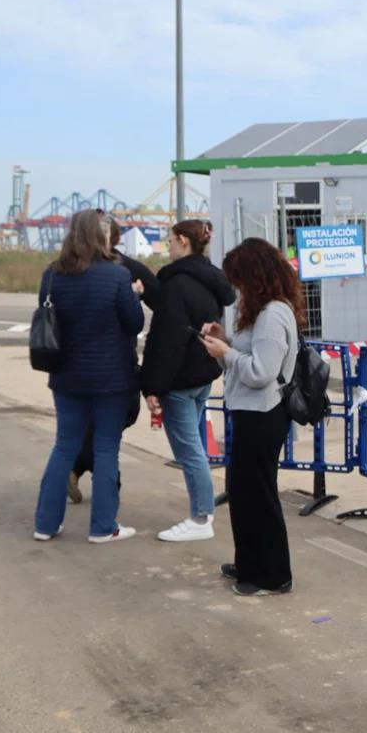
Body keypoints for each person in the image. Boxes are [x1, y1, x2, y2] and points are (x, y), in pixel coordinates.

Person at [33, 209, 145, 543]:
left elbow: (48, 314)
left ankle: (45, 525)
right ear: (103, 236)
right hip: (111, 378)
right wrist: (135, 296)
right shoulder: (116, 276)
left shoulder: (52, 274)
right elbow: (134, 324)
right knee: (106, 448)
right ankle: (103, 527)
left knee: (64, 445)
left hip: (66, 375)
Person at [200, 237, 302, 596]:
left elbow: (261, 371)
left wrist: (226, 352)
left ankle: (272, 575)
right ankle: (249, 563)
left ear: (255, 276)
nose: (236, 287)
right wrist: (222, 341)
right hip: (248, 412)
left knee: (258, 494)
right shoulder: (259, 310)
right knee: (243, 493)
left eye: (239, 279)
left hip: (264, 414)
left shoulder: (273, 313)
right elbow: (246, 357)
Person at [140, 219, 235, 542]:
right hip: (202, 374)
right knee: (194, 447)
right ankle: (201, 512)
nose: (167, 246)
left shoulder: (178, 284)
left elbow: (166, 341)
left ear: (183, 240)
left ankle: (201, 517)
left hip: (179, 380)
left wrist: (152, 386)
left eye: (169, 240)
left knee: (190, 452)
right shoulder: (208, 279)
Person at [68, 215, 159, 503]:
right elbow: (143, 314)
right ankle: (99, 483)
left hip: (73, 365)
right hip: (116, 361)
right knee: (114, 423)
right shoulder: (125, 269)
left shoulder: (65, 269)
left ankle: (77, 467)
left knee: (92, 424)